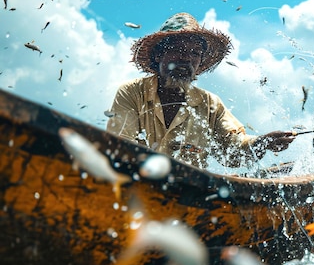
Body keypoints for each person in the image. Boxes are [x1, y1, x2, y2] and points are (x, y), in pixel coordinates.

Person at [106, 12, 295, 168]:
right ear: (158, 55)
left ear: (200, 62)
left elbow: (233, 153)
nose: (186, 58)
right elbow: (120, 149)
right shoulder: (132, 93)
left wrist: (262, 143)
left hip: (190, 200)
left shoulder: (210, 104)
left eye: (195, 53)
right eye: (177, 49)